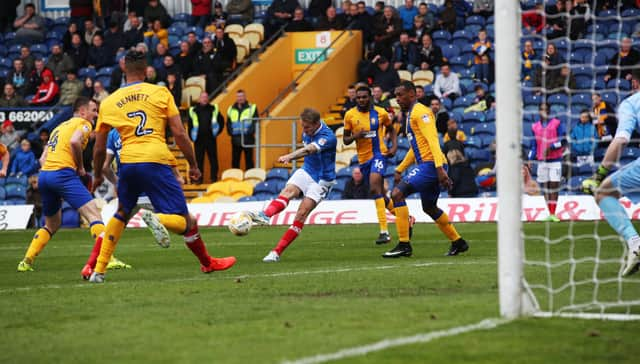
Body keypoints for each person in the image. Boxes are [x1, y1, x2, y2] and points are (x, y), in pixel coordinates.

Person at [88, 50, 236, 283]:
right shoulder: (160, 92)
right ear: (147, 70)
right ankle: (158, 220)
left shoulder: (108, 102)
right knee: (183, 220)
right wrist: (193, 164)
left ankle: (99, 270)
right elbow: (179, 133)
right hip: (156, 160)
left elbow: (98, 149)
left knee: (122, 213)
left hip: (127, 164)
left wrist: (97, 175)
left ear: (122, 67)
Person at [17, 97, 129, 273]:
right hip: (63, 174)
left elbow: (42, 159)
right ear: (82, 111)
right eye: (93, 110)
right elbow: (75, 142)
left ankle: (26, 261)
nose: (96, 114)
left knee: (52, 224)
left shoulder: (58, 128)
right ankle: (109, 258)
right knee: (94, 214)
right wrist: (80, 167)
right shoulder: (84, 124)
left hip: (45, 176)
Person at [387, 81, 468, 258]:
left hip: (431, 164)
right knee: (429, 207)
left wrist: (439, 169)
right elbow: (415, 146)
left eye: (401, 95)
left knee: (397, 195)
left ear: (412, 94)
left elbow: (432, 140)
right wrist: (400, 169)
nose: (397, 99)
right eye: (396, 95)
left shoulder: (421, 112)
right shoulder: (411, 114)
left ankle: (403, 244)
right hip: (429, 164)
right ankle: (458, 242)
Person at [247, 108, 336, 262]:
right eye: (302, 126)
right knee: (287, 192)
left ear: (316, 124)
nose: (304, 130)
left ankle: (276, 252)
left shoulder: (328, 137)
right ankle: (265, 215)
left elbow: (310, 150)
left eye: (307, 127)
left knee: (301, 213)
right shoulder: (307, 131)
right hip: (307, 170)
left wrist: (290, 156)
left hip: (322, 179)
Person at [582, 70, 640, 276]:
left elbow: (621, 140)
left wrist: (599, 174)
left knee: (603, 192)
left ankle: (635, 244)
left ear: (634, 82)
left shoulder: (631, 103)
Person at [343, 85, 400, 244]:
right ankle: (405, 218)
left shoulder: (381, 113)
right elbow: (345, 140)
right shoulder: (350, 115)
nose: (361, 100)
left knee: (374, 187)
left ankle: (384, 232)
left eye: (364, 97)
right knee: (379, 193)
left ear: (370, 97)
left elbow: (392, 129)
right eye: (358, 97)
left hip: (379, 155)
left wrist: (394, 147)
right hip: (363, 160)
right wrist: (356, 135)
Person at [527, 103, 566, 222]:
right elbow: (533, 145)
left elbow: (563, 140)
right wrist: (530, 158)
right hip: (541, 161)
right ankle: (550, 212)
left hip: (555, 160)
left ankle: (554, 213)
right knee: (545, 187)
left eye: (545, 109)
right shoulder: (535, 126)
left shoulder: (557, 123)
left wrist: (552, 147)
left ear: (549, 111)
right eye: (541, 109)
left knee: (554, 186)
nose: (543, 111)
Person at [188, 92, 224, 183]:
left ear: (208, 99)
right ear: (199, 99)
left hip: (210, 139)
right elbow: (190, 125)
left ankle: (214, 178)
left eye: (206, 97)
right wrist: (191, 138)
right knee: (198, 161)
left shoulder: (213, 109)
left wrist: (216, 133)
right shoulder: (193, 110)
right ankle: (199, 179)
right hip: (198, 140)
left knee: (213, 160)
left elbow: (221, 122)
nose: (204, 99)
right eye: (202, 97)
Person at [227, 89, 258, 169]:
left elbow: (255, 122)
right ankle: (234, 178)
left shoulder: (252, 107)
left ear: (245, 97)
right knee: (235, 160)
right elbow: (228, 123)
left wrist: (249, 132)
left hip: (248, 138)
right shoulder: (231, 109)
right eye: (238, 96)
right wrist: (231, 133)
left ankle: (250, 178)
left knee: (249, 161)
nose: (240, 98)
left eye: (241, 96)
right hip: (236, 139)